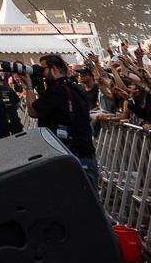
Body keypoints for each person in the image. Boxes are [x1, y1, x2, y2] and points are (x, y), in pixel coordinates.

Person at [26, 54, 100, 188]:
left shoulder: (57, 91)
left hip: (70, 155)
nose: (41, 74)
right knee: (88, 201)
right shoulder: (76, 88)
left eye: (43, 70)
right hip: (84, 153)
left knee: (76, 201)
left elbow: (33, 111)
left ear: (53, 69)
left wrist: (28, 85)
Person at [0, 71, 26, 139]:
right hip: (14, 119)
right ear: (2, 80)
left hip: (2, 120)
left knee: (5, 141)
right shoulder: (9, 89)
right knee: (19, 139)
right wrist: (11, 109)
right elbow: (18, 103)